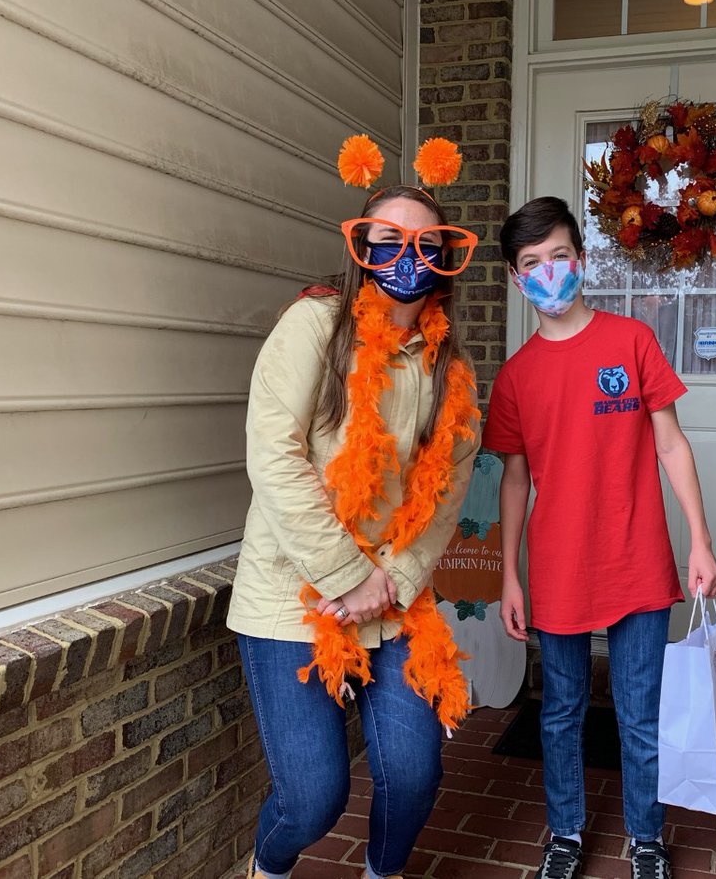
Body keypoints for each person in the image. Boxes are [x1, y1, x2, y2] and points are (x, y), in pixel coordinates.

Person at [227, 138, 482, 879]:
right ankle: (268, 868)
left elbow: (446, 497)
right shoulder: (313, 327)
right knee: (313, 800)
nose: (408, 254)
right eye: (389, 239)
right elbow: (274, 456)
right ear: (362, 246)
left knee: (414, 773)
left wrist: (393, 582)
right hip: (294, 594)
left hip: (396, 602)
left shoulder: (452, 371)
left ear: (444, 258)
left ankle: (383, 872)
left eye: (427, 243)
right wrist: (345, 574)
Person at [483, 196, 716, 879]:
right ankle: (565, 835)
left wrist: (699, 541)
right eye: (532, 263)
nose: (548, 272)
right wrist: (509, 575)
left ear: (581, 260)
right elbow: (514, 482)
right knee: (559, 713)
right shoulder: (516, 378)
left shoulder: (631, 343)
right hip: (557, 570)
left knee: (638, 711)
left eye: (559, 256)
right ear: (514, 277)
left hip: (637, 561)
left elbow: (672, 447)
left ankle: (647, 839)